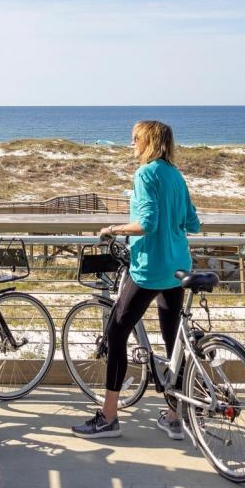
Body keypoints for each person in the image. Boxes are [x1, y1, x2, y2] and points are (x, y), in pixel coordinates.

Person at [72, 120, 200, 440]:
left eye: (134, 140)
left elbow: (147, 223)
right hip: (177, 266)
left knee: (116, 334)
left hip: (148, 269)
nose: (131, 145)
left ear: (148, 142)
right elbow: (192, 223)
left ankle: (109, 417)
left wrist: (113, 230)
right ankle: (174, 417)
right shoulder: (175, 175)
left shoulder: (145, 174)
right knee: (173, 344)